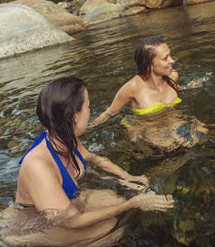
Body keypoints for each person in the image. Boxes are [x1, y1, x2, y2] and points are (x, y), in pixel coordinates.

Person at [13, 76, 173, 226]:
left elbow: (93, 158)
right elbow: (72, 221)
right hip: (32, 225)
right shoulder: (38, 166)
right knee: (110, 228)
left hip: (69, 202)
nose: (90, 111)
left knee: (114, 199)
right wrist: (133, 204)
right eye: (88, 106)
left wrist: (128, 178)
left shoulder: (63, 136)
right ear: (74, 117)